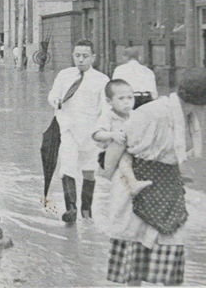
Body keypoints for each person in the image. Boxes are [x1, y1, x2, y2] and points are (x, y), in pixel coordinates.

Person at [103, 68, 206, 286]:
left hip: (167, 185)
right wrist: (117, 178)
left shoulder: (187, 116)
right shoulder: (153, 113)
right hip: (139, 183)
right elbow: (120, 146)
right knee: (135, 251)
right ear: (200, 103)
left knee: (170, 251)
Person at [48, 40, 110, 222]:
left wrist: (103, 131)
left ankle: (86, 210)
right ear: (73, 55)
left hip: (91, 132)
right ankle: (72, 210)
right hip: (68, 129)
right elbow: (53, 94)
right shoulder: (64, 75)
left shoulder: (102, 80)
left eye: (85, 56)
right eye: (77, 55)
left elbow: (106, 108)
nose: (80, 59)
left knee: (89, 171)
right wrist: (55, 101)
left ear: (93, 57)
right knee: (67, 167)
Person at [92, 79, 152, 196]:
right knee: (124, 158)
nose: (126, 102)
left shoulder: (135, 115)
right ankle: (133, 183)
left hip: (130, 152)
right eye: (121, 99)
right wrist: (112, 135)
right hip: (108, 155)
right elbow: (96, 134)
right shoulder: (108, 116)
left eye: (130, 98)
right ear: (109, 101)